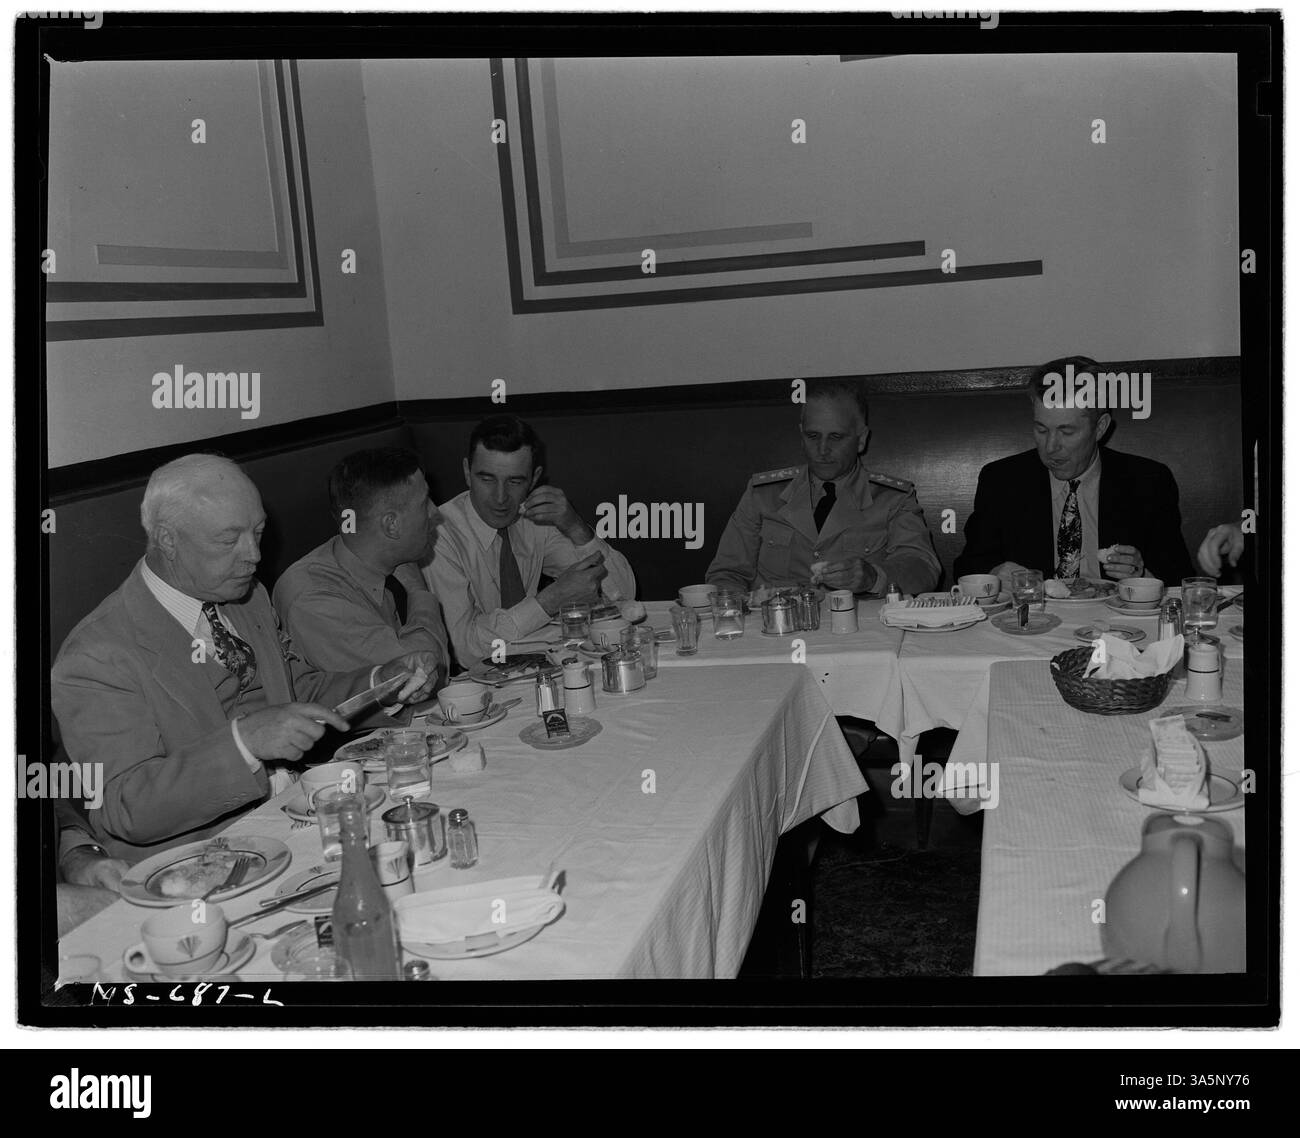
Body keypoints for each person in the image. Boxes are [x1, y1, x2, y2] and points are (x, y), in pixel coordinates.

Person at [50, 454, 438, 864]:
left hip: (300, 818)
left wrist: (383, 681)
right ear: (167, 540)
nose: (253, 554)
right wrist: (245, 743)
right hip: (203, 863)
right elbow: (126, 805)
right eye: (228, 539)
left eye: (257, 532)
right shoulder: (97, 654)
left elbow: (300, 689)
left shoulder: (245, 599)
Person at [953, 356, 1194, 590]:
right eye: (1041, 429)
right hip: (1035, 623)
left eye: (1066, 432)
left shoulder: (1147, 482)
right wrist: (994, 574)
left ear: (1100, 427)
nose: (1050, 447)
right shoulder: (1002, 480)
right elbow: (967, 567)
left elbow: (1179, 578)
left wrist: (1141, 573)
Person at [427, 414, 636, 665]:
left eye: (515, 481)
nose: (500, 497)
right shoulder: (439, 534)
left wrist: (575, 526)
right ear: (466, 472)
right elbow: (466, 648)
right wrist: (549, 601)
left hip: (535, 666)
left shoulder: (534, 518)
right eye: (487, 479)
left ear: (535, 479)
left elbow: (622, 594)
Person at [706, 379, 940, 595]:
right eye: (813, 436)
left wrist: (874, 577)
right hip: (777, 629)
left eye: (836, 437)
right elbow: (726, 574)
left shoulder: (892, 499)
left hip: (858, 631)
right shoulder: (764, 495)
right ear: (801, 435)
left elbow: (922, 568)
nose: (822, 449)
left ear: (861, 440)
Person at [273, 447, 448, 682]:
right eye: (425, 502)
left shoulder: (380, 564)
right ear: (391, 525)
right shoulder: (313, 600)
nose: (435, 512)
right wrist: (419, 592)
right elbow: (422, 675)